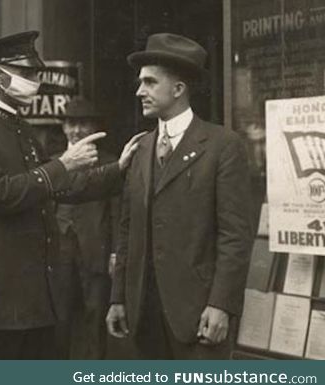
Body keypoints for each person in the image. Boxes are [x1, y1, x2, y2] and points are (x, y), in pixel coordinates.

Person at [0, 31, 143, 360]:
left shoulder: (20, 127)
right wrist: (63, 164)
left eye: (36, 73)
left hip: (36, 299)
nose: (35, 81)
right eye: (27, 74)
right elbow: (0, 193)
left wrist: (117, 170)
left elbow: (59, 189)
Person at [106, 33, 253, 359]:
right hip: (144, 313)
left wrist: (221, 304)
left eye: (149, 82)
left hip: (199, 313)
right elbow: (127, 231)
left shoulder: (222, 146)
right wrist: (118, 298)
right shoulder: (141, 148)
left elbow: (235, 237)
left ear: (178, 89)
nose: (138, 91)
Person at [54, 97, 119, 359]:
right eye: (71, 123)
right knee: (59, 317)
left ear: (94, 128)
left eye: (83, 123)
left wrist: (115, 252)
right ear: (64, 128)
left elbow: (117, 212)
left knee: (95, 315)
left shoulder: (110, 161)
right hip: (58, 252)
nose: (77, 130)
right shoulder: (53, 162)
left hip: (95, 251)